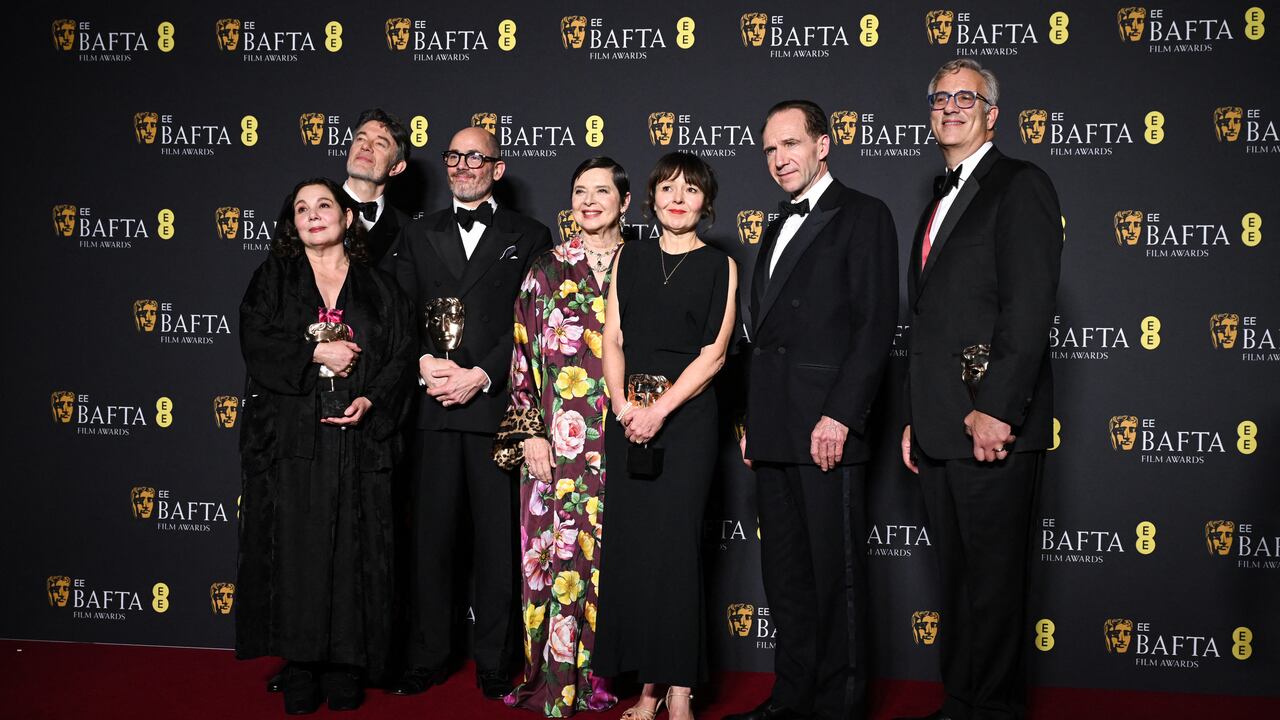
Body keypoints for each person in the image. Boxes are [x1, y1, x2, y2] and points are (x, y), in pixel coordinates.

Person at [898, 59, 1062, 720]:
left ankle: (991, 710)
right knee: (959, 584)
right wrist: (918, 415)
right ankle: (960, 705)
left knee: (993, 589)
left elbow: (1028, 310)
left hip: (991, 427)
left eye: (966, 97)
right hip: (941, 428)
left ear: (993, 113)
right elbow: (934, 324)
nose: (951, 106)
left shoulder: (1020, 185)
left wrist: (996, 409)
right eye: (940, 97)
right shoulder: (940, 199)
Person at [728, 100, 898, 720]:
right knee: (787, 579)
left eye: (791, 144)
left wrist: (842, 416)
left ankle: (840, 706)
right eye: (770, 149)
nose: (779, 160)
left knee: (836, 577)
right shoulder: (774, 226)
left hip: (826, 425)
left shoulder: (863, 215)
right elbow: (760, 338)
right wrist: (749, 423)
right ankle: (792, 698)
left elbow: (875, 324)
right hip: (773, 427)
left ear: (823, 146)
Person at [236, 177, 416, 714]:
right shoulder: (272, 278)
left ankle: (345, 663)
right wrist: (318, 355)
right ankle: (300, 663)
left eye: (324, 205)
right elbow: (255, 341)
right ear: (292, 225)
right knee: (296, 550)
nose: (314, 215)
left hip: (360, 442)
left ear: (347, 217)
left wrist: (373, 403)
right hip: (292, 441)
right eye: (301, 209)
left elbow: (403, 356)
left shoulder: (381, 288)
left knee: (356, 548)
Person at [386, 126, 553, 699]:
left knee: (497, 544)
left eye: (475, 156)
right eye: (453, 156)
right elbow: (398, 315)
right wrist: (425, 365)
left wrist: (482, 374)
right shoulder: (416, 231)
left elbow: (533, 323)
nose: (462, 165)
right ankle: (428, 654)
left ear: (497, 168)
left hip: (494, 411)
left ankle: (495, 659)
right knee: (430, 540)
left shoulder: (529, 235)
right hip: (432, 407)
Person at [595, 152, 738, 720]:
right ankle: (648, 688)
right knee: (637, 551)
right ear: (650, 198)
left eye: (691, 190)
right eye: (668, 188)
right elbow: (612, 340)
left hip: (686, 424)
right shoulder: (627, 259)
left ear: (706, 203)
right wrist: (624, 404)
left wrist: (661, 410)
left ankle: (679, 688)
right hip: (628, 419)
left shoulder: (720, 265)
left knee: (676, 552)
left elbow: (715, 354)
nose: (678, 198)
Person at [500, 157, 631, 716]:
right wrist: (529, 431)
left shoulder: (644, 264)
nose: (590, 200)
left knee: (614, 559)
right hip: (556, 444)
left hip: (625, 440)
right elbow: (522, 355)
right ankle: (555, 676)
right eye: (581, 191)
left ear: (626, 202)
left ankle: (607, 674)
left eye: (602, 191)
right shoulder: (546, 268)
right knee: (554, 563)